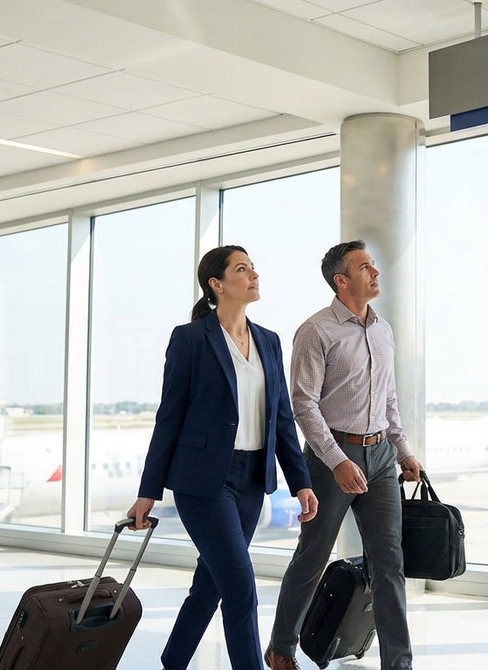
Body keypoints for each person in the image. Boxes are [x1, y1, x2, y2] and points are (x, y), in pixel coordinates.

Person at [125, 245, 319, 670]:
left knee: (210, 584)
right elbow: (169, 417)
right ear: (217, 285)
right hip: (203, 482)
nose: (254, 275)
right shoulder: (191, 338)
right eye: (242, 269)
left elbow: (281, 419)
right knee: (240, 585)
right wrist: (147, 492)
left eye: (253, 268)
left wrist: (300, 481)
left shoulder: (268, 340)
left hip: (252, 480)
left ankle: (172, 660)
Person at [265, 240, 421, 670]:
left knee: (389, 563)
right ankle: (281, 648)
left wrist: (403, 450)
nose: (375, 272)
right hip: (331, 458)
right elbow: (304, 405)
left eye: (373, 264)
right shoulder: (316, 330)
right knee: (313, 556)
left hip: (381, 457)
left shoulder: (383, 329)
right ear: (342, 280)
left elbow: (388, 398)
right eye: (364, 266)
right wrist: (337, 460)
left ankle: (399, 664)